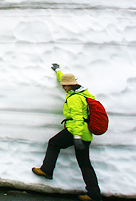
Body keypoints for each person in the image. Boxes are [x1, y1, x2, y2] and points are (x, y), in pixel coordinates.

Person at [32, 63, 102, 201]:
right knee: (84, 163)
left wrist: (76, 136)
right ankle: (94, 193)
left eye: (65, 86)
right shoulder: (82, 93)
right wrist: (58, 70)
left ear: (71, 85)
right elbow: (63, 79)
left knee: (54, 143)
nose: (63, 87)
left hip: (76, 132)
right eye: (63, 85)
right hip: (85, 134)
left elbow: (77, 118)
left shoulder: (75, 98)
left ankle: (47, 170)